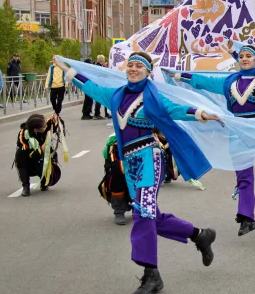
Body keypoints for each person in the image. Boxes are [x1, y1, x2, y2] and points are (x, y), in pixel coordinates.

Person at [53, 52, 218, 294]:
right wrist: (66, 68)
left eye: (139, 66)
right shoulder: (115, 95)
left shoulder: (153, 97)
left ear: (148, 71)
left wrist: (200, 114)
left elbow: (175, 109)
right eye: (130, 65)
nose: (133, 68)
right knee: (152, 216)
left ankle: (151, 274)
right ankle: (200, 235)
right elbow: (91, 87)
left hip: (149, 159)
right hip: (129, 162)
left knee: (142, 213)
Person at [173, 45, 255, 236]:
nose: (245, 59)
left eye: (249, 56)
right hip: (238, 132)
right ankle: (247, 218)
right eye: (242, 56)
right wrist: (181, 76)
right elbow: (206, 81)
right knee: (244, 177)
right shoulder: (229, 81)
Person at [15, 114, 64, 196]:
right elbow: (33, 155)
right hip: (29, 160)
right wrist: (45, 145)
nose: (46, 127)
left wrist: (55, 120)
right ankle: (26, 185)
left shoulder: (43, 127)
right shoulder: (24, 136)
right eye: (44, 126)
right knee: (20, 154)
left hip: (42, 159)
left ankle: (45, 181)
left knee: (46, 161)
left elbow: (51, 125)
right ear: (35, 129)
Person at [98, 136, 132, 225]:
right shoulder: (114, 144)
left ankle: (139, 210)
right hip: (119, 170)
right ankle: (119, 211)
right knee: (116, 180)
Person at [94, 55, 111, 119]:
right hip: (100, 84)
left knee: (102, 98)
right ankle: (97, 114)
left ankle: (105, 113)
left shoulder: (99, 66)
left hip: (100, 84)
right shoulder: (99, 67)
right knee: (100, 99)